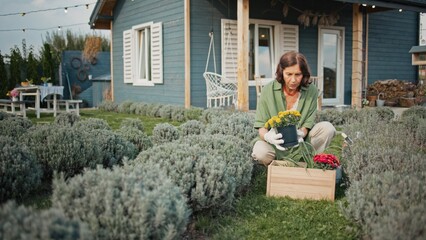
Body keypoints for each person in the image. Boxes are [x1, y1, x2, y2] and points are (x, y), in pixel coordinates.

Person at [252, 51, 336, 165]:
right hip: (274, 146)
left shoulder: (311, 91)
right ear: (281, 72)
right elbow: (261, 125)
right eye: (289, 74)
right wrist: (268, 136)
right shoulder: (268, 90)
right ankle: (280, 164)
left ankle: (308, 161)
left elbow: (308, 123)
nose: (293, 80)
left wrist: (301, 133)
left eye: (298, 74)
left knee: (328, 128)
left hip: (301, 144)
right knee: (260, 152)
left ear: (304, 74)